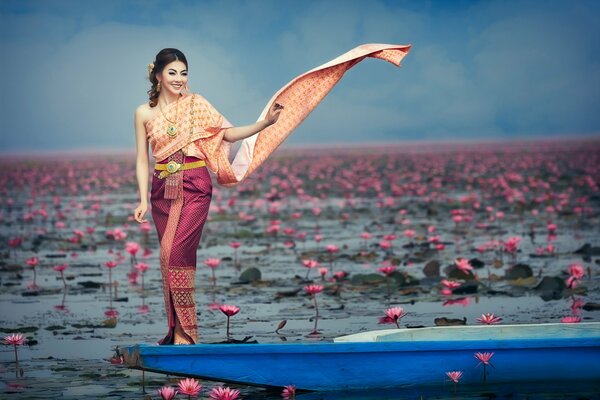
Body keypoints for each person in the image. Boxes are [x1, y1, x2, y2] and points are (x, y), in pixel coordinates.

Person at [132, 48, 283, 345]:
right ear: (158, 75)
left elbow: (227, 134)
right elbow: (141, 159)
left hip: (195, 183)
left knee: (174, 254)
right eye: (172, 72)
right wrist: (141, 200)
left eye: (184, 72)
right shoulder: (143, 113)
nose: (179, 78)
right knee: (167, 258)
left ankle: (186, 333)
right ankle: (177, 331)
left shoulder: (196, 104)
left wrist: (265, 123)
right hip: (161, 188)